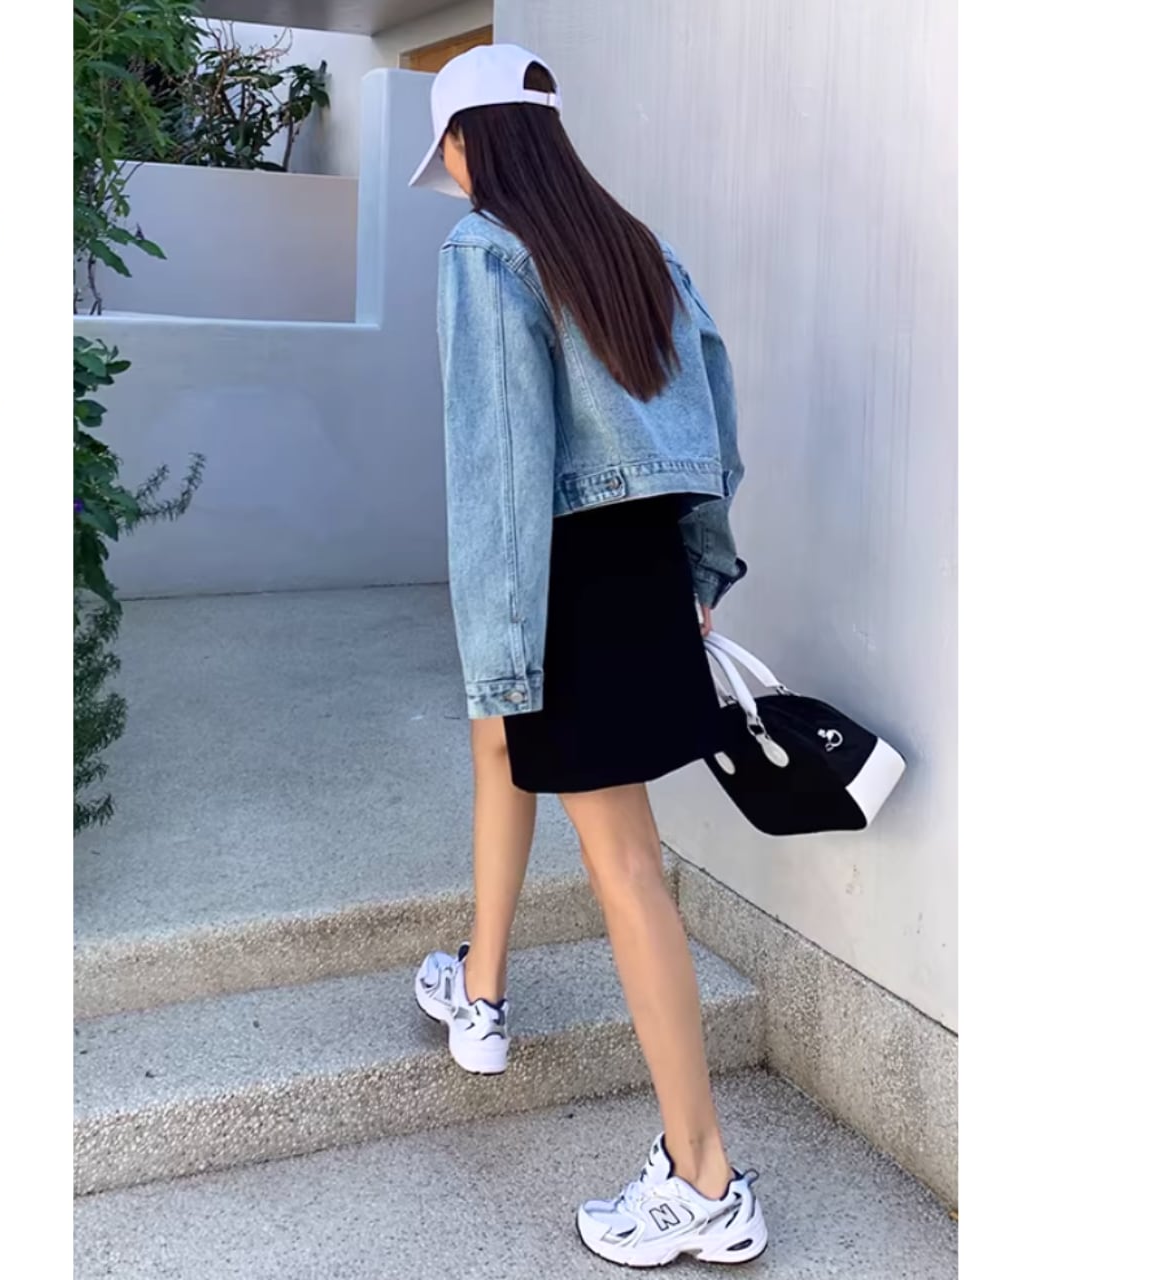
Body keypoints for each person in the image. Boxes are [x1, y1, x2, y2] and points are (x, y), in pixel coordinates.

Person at [408, 44, 768, 1268]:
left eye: (448, 153)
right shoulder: (630, 245)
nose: (451, 175)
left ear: (469, 142)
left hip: (551, 565)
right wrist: (698, 570)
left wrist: (499, 626)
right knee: (506, 753)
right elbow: (710, 414)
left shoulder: (484, 249)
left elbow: (500, 460)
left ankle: (703, 1176)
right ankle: (481, 986)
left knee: (623, 864)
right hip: (637, 566)